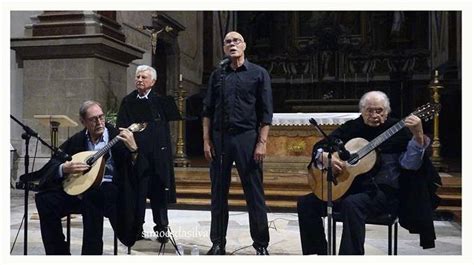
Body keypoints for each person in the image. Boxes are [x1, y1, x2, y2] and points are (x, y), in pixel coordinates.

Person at [297, 90, 441, 255]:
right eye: (369, 110)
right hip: (346, 188)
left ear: (386, 112)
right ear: (362, 111)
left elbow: (411, 165)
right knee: (306, 203)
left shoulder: (398, 131)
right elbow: (323, 145)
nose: (374, 115)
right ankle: (317, 255)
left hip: (382, 193)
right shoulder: (352, 127)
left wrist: (418, 136)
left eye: (379, 110)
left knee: (352, 204)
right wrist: (323, 157)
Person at [34, 100, 139, 254]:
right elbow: (55, 162)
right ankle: (58, 255)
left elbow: (136, 168)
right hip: (80, 189)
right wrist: (64, 168)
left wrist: (134, 150)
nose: (99, 122)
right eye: (93, 119)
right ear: (83, 122)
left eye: (101, 117)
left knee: (93, 196)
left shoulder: (118, 138)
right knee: (44, 199)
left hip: (110, 191)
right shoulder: (77, 140)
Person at [202, 31, 273, 255]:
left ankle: (261, 244)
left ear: (244, 45)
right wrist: (206, 140)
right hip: (220, 138)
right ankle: (218, 242)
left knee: (254, 193)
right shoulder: (218, 75)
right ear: (224, 48)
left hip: (247, 138)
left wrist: (262, 143)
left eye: (236, 41)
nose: (232, 44)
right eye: (228, 42)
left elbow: (266, 113)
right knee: (218, 193)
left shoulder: (258, 74)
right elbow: (207, 111)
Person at [116, 65, 178, 243]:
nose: (139, 80)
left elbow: (163, 130)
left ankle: (161, 228)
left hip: (157, 155)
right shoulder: (128, 101)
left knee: (159, 193)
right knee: (138, 192)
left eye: (144, 77)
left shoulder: (160, 101)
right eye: (137, 77)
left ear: (153, 81)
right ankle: (137, 229)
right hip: (136, 155)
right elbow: (122, 125)